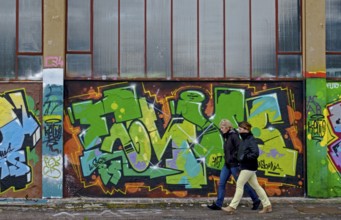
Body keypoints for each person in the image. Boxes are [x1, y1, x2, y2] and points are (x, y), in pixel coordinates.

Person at [207, 119, 261, 211]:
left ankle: (256, 200)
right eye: (221, 127)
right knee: (221, 183)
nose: (221, 129)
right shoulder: (227, 136)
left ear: (228, 127)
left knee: (242, 184)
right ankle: (218, 204)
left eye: (223, 127)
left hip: (234, 165)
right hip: (227, 164)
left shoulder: (234, 136)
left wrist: (233, 157)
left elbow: (239, 149)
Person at [222, 121, 272, 214]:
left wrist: (244, 157)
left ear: (246, 130)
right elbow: (241, 152)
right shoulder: (245, 139)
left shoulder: (250, 140)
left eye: (240, 129)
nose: (238, 130)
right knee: (256, 187)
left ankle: (232, 207)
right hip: (247, 166)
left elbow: (255, 153)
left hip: (248, 167)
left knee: (239, 185)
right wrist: (237, 156)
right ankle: (267, 205)